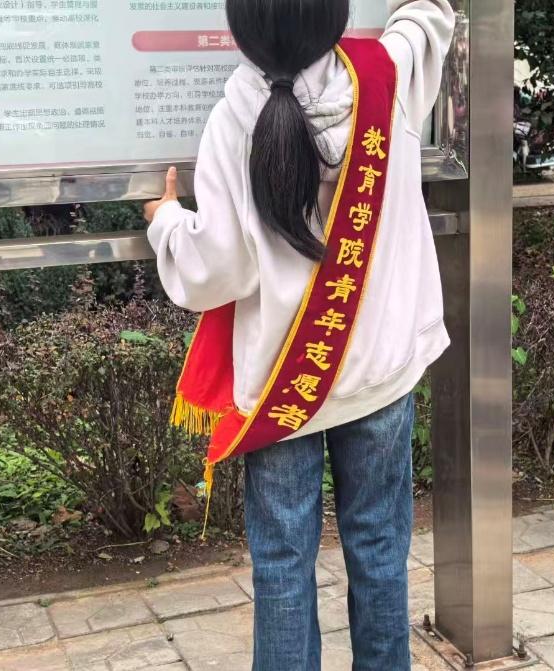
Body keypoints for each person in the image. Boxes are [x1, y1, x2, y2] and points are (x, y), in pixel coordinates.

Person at [144, 1, 455, 668]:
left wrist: (166, 222)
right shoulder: (385, 74)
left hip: (283, 388)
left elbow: (216, 268)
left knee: (283, 562)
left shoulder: (235, 116)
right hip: (377, 375)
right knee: (379, 548)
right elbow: (429, 17)